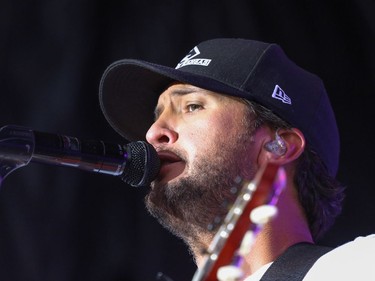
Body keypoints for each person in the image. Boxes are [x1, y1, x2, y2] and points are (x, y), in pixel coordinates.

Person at [98, 38, 375, 280]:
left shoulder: (357, 267)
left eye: (192, 106)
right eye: (157, 116)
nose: (152, 133)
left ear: (279, 146)